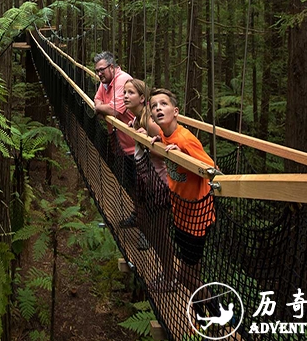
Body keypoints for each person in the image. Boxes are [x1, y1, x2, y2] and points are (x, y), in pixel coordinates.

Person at [148, 88, 216, 303]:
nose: (158, 108)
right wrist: (152, 140)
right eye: (154, 106)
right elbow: (161, 139)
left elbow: (212, 169)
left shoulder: (185, 140)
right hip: (180, 214)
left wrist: (183, 155)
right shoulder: (164, 134)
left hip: (197, 217)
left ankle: (218, 313)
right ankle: (204, 316)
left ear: (175, 111)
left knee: (186, 276)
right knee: (191, 273)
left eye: (163, 104)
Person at [123, 79, 176, 290]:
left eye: (130, 93)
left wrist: (144, 138)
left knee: (160, 234)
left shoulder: (148, 120)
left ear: (142, 98)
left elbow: (162, 149)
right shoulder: (138, 118)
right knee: (151, 228)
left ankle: (170, 277)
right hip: (148, 180)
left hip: (158, 183)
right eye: (124, 92)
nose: (125, 96)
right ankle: (168, 274)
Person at [92, 52, 139, 235]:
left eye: (101, 70)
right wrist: (102, 107)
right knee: (131, 184)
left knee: (142, 187)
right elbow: (97, 100)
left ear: (112, 67)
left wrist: (101, 108)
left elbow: (115, 110)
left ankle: (147, 231)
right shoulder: (106, 82)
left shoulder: (123, 81)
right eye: (96, 71)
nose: (99, 74)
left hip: (136, 144)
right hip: (120, 142)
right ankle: (137, 216)